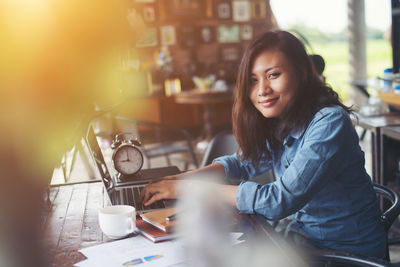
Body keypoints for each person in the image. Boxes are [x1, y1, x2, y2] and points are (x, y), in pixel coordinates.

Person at [140, 30, 386, 259]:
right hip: (302, 243)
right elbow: (244, 163)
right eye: (253, 80)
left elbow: (279, 200)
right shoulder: (284, 118)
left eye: (273, 75)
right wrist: (185, 178)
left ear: (301, 73)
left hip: (344, 255)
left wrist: (194, 190)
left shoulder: (329, 122)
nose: (262, 90)